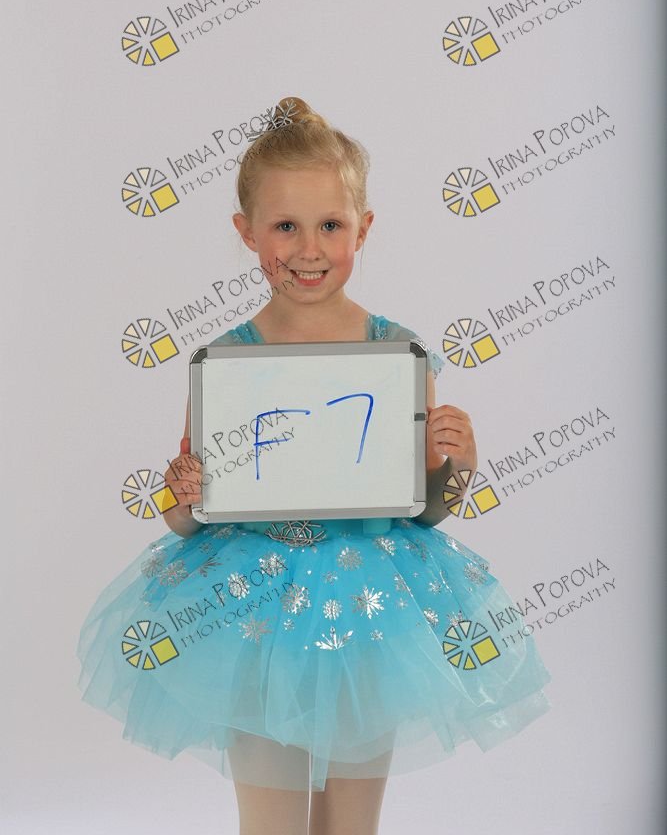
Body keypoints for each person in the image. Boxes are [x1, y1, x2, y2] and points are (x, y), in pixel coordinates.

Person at [77, 97, 552, 835]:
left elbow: (424, 508)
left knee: (351, 823)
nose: (308, 249)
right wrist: (183, 494)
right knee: (270, 821)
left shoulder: (396, 352)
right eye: (284, 227)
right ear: (246, 232)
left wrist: (457, 466)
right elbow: (189, 518)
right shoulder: (226, 361)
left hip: (373, 604)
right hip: (251, 606)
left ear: (364, 227)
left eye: (330, 225)